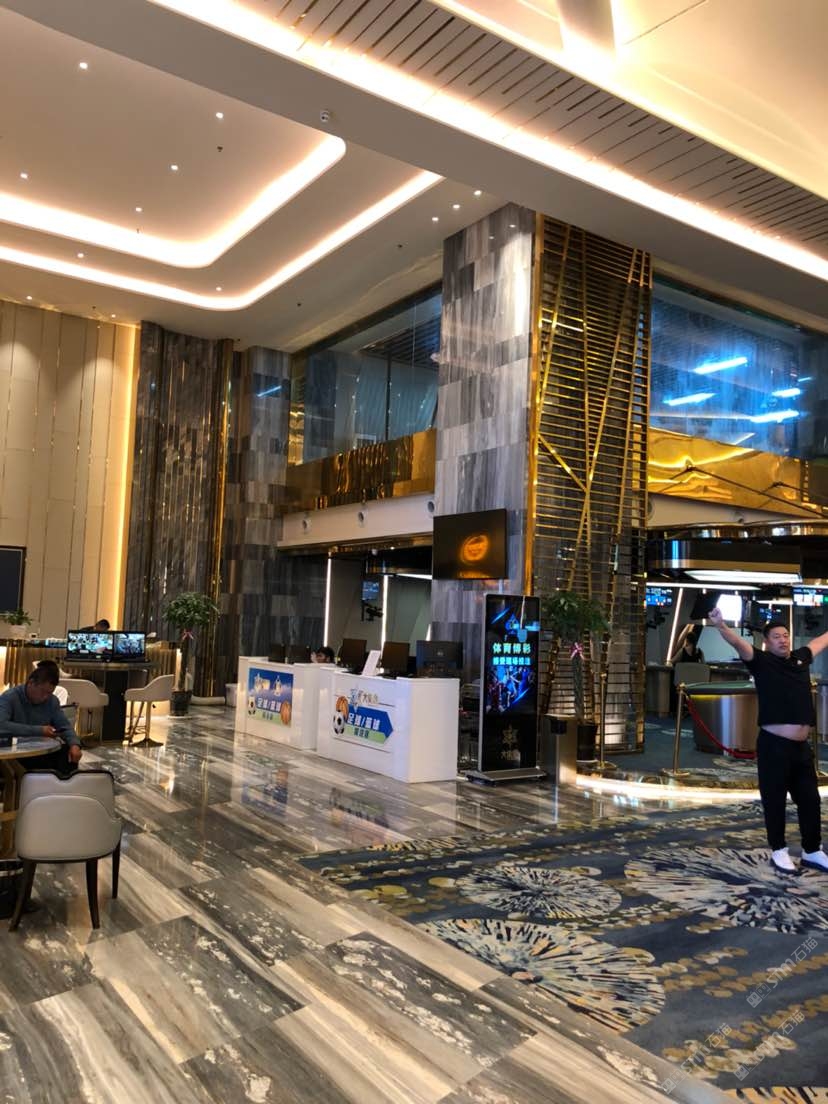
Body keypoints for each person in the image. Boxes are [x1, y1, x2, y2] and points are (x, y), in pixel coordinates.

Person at [708, 606, 828, 874]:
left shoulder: (801, 658)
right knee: (775, 800)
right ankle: (779, 850)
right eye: (777, 637)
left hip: (801, 747)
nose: (783, 640)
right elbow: (737, 642)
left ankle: (812, 850)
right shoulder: (760, 661)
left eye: (785, 635)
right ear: (767, 641)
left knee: (810, 799)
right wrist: (721, 625)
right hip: (774, 746)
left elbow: (821, 640)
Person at [0, 667, 83, 774]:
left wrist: (75, 745)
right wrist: (40, 730)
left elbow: (65, 726)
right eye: (43, 692)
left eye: (49, 693)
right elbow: (2, 725)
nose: (45, 697)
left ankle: (62, 784)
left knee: (67, 752)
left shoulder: (52, 701)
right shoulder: (10, 697)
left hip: (42, 751)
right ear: (31, 683)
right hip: (15, 752)